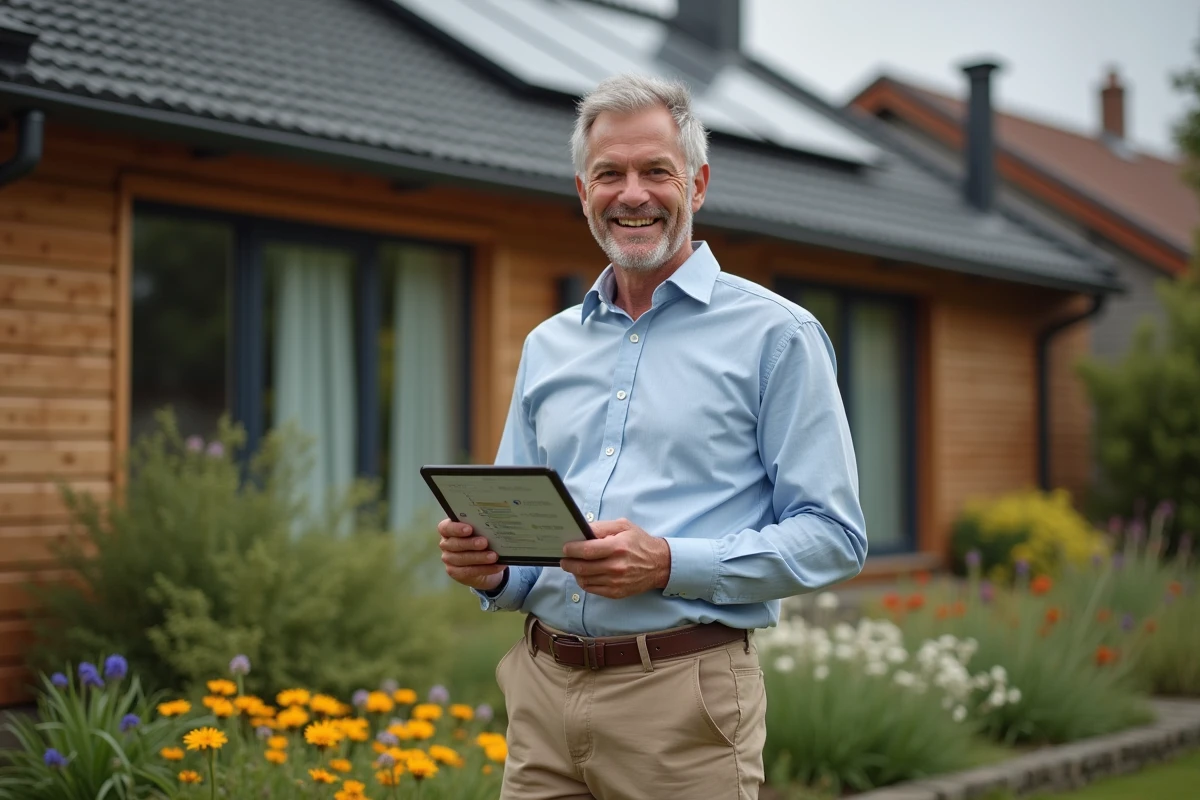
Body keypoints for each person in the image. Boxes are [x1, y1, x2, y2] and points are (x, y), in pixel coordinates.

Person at [438, 72, 867, 800]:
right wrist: (493, 569)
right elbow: (525, 540)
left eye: (655, 171)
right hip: (540, 696)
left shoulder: (777, 336)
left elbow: (834, 535)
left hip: (682, 701)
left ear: (696, 185)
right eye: (610, 173)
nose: (631, 193)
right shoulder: (548, 345)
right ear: (584, 192)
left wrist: (668, 562)